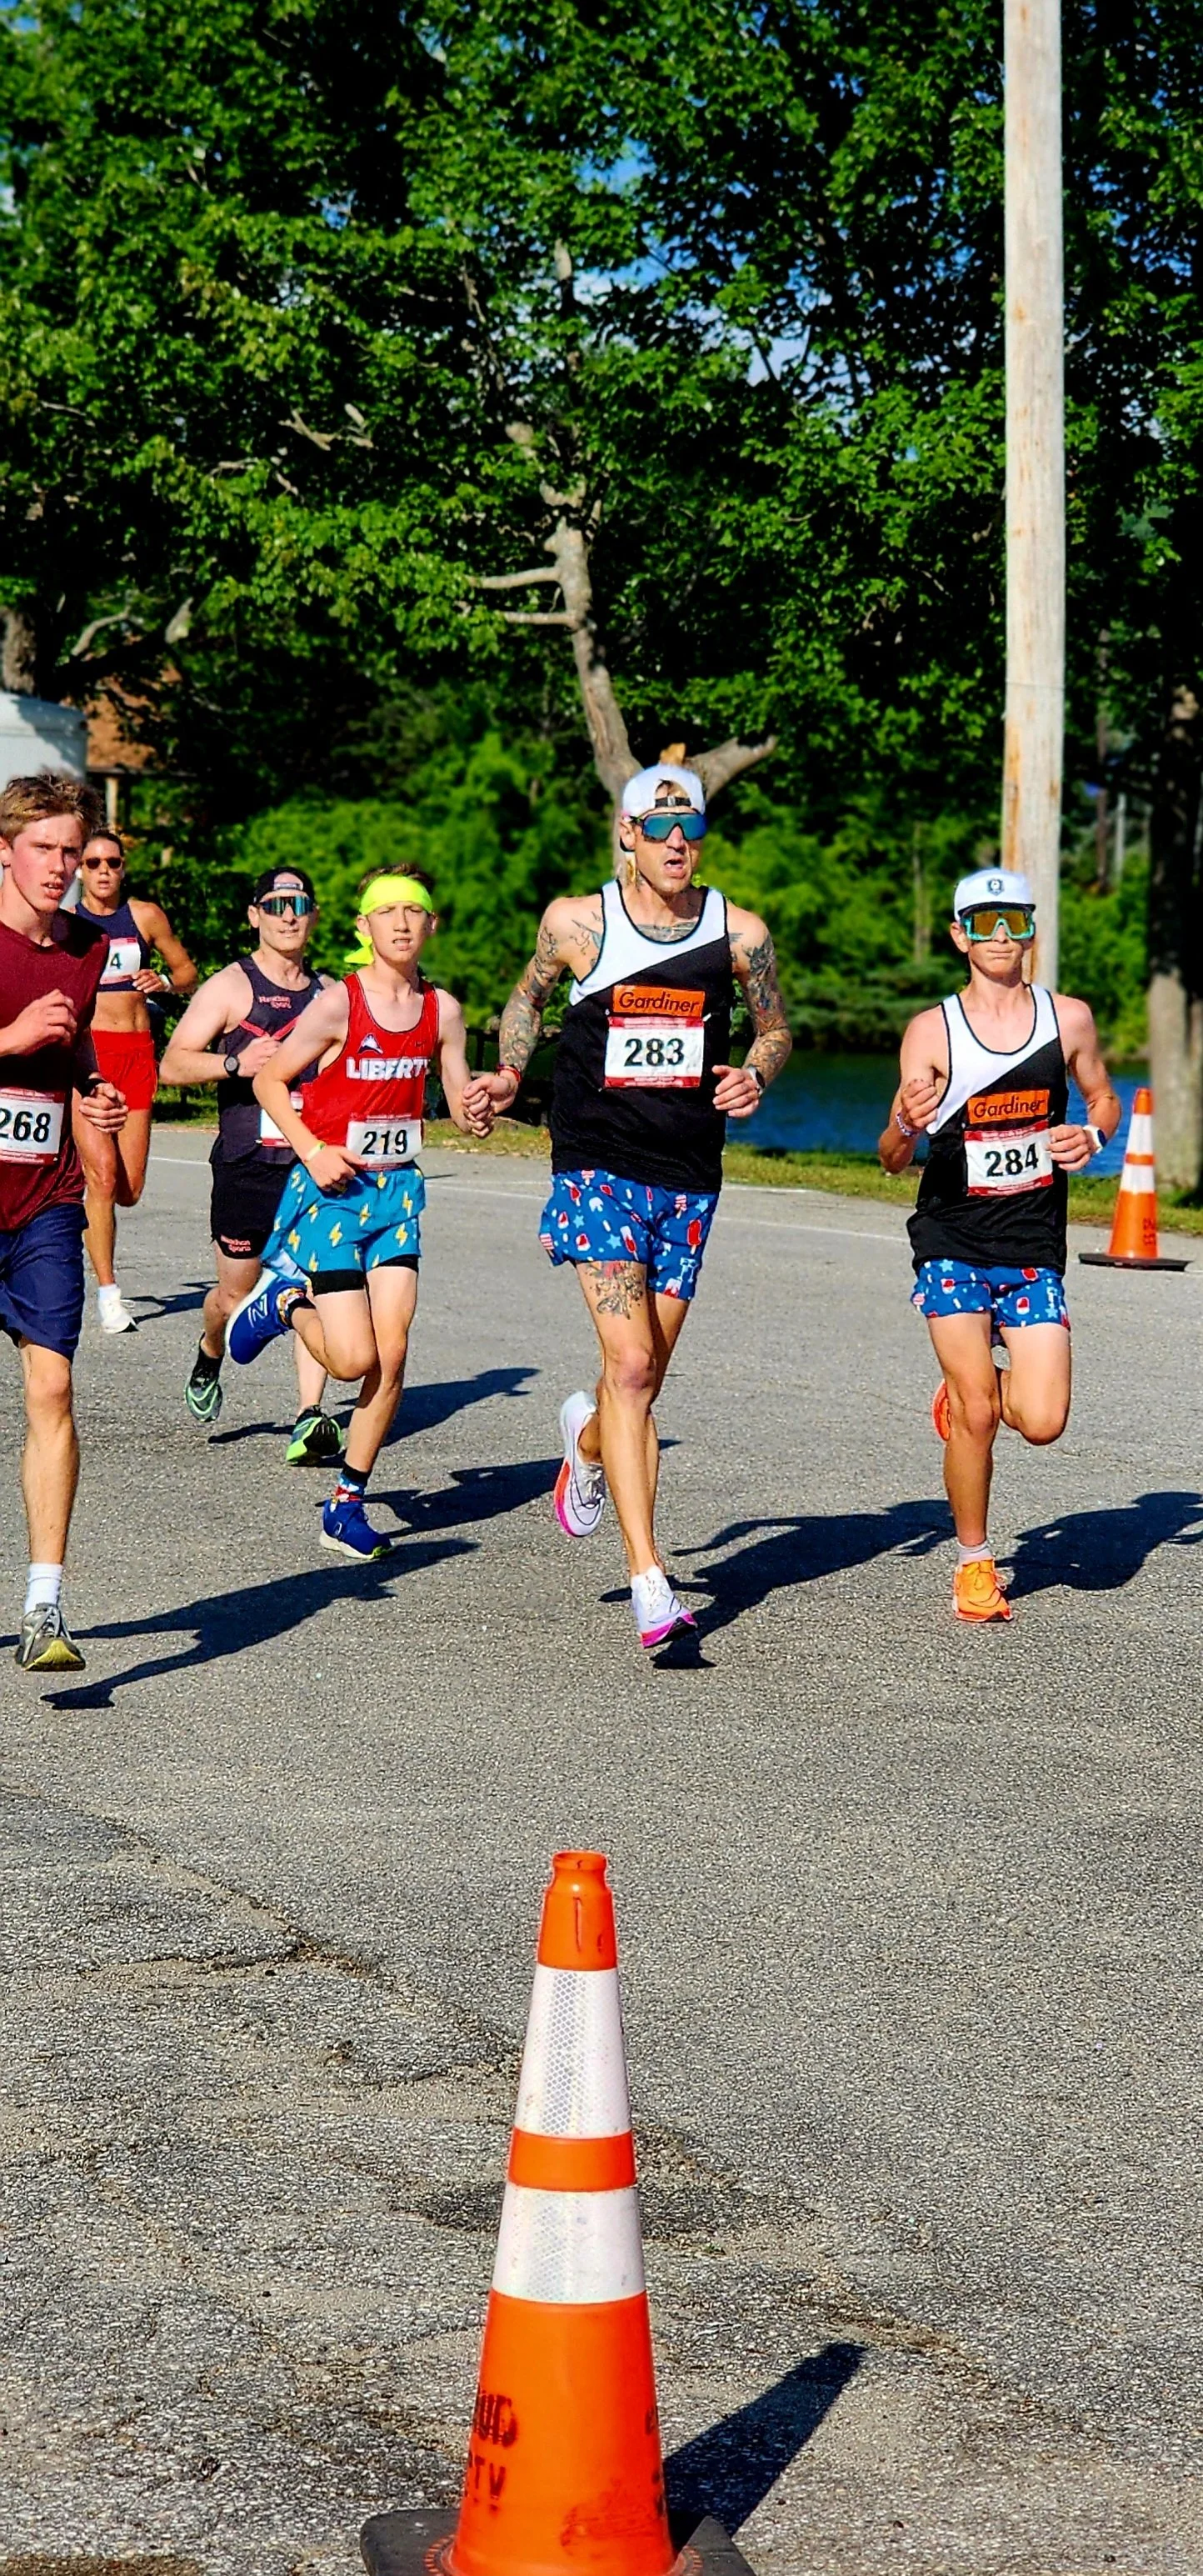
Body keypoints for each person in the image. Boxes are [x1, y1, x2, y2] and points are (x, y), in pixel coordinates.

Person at [466, 761, 792, 1652]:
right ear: (627, 834)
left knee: (633, 1383)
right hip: (595, 1164)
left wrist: (755, 1075)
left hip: (688, 1173)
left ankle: (583, 1446)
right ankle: (651, 1581)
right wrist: (505, 1073)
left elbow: (773, 1025)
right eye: (659, 828)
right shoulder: (578, 924)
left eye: (690, 828)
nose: (678, 843)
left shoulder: (739, 934)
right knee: (635, 1366)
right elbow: (527, 998)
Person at [225, 868, 495, 1560]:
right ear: (362, 929)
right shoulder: (340, 1005)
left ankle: (347, 1501)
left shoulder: (446, 1010)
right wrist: (311, 1149)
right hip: (333, 1193)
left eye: (415, 911)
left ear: (433, 926)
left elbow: (460, 1095)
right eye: (387, 912)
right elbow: (267, 1079)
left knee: (394, 1353)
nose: (402, 923)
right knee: (351, 1360)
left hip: (397, 1195)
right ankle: (282, 1302)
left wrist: (477, 1106)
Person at [878, 866, 1121, 1623]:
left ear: (1030, 928)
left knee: (1043, 1419)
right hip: (951, 1239)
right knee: (982, 1413)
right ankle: (975, 1563)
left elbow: (1104, 1096)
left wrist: (1093, 1134)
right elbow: (889, 1154)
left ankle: (967, 1385)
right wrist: (907, 1127)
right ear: (959, 935)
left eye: (1013, 919)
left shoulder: (1068, 1019)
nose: (1001, 935)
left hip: (1032, 1244)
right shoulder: (932, 1030)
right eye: (983, 922)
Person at [0, 772, 128, 1671]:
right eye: (42, 849)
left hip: (45, 1202)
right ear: (4, 851)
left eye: (71, 853)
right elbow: (25, 1033)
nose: (59, 868)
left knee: (53, 1391)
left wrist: (93, 1088)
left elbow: (72, 1034)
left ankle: (46, 1604)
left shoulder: (87, 947)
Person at [158, 866, 342, 1462]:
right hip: (246, 1163)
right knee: (234, 1297)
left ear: (313, 915)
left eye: (300, 904)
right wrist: (237, 1065)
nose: (290, 914)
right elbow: (173, 1065)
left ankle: (308, 1417)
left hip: (309, 1162)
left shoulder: (332, 994)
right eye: (277, 903)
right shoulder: (230, 987)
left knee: (314, 1282)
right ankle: (211, 1350)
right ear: (255, 914)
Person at [73, 827, 197, 1333]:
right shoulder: (65, 924)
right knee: (101, 1178)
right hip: (90, 1057)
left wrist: (164, 982)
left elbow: (187, 971)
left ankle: (75, 1182)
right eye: (94, 863)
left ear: (124, 868)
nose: (105, 871)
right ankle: (107, 1291)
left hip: (137, 1055)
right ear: (80, 870)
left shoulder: (145, 917)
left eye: (113, 863)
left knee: (129, 1188)